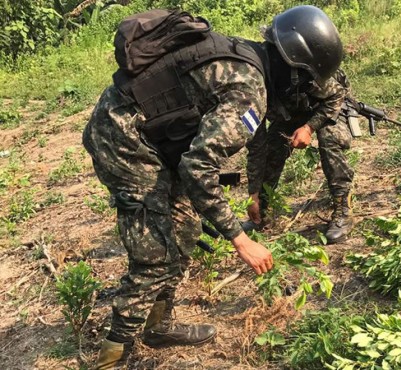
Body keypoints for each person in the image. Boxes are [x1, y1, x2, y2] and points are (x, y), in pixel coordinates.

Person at [82, 5, 343, 369]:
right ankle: (111, 353)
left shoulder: (249, 57)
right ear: (293, 70)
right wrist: (241, 239)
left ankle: (159, 325)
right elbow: (198, 166)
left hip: (148, 136)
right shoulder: (250, 90)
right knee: (156, 252)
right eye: (306, 80)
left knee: (186, 230)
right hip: (122, 140)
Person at [243, 63, 355, 244]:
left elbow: (336, 95)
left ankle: (343, 209)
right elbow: (256, 146)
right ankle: (261, 214)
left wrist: (309, 128)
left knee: (329, 139)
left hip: (326, 106)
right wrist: (253, 194)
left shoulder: (294, 69)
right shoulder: (246, 99)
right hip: (290, 113)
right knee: (271, 148)